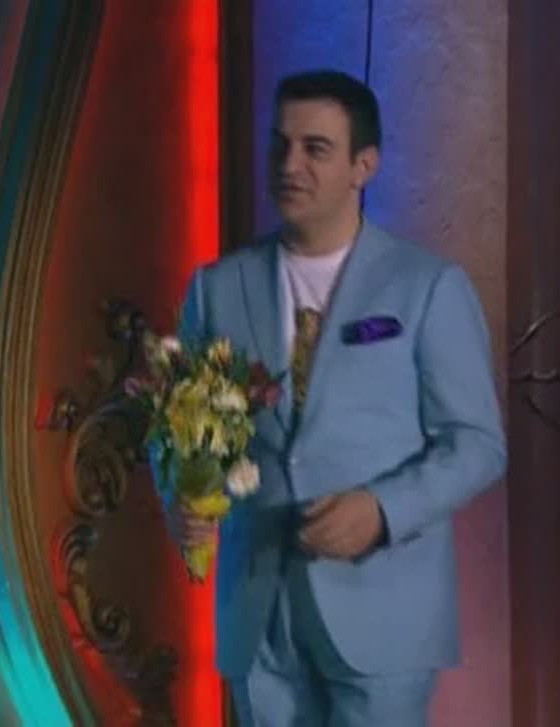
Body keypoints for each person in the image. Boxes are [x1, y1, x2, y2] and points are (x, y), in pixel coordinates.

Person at [161, 70, 507, 726]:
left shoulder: (426, 286)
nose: (289, 165)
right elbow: (174, 428)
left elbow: (478, 445)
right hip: (258, 610)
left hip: (384, 608)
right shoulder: (215, 289)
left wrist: (382, 510)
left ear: (363, 166)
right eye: (280, 144)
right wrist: (179, 495)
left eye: (315, 148)